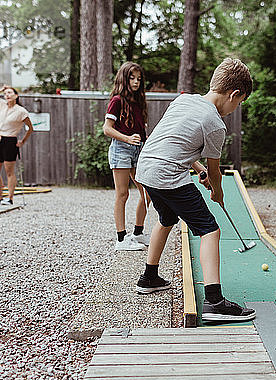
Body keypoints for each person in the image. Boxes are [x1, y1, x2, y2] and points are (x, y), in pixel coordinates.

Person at [135, 58, 256, 322]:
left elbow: (176, 143)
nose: (236, 108)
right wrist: (217, 192)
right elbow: (216, 172)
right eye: (239, 102)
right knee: (209, 230)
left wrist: (198, 170)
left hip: (146, 169)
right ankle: (215, 303)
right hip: (168, 174)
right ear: (233, 94)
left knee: (166, 219)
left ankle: (149, 277)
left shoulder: (183, 101)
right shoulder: (215, 123)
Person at [103, 61, 151, 251]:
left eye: (139, 79)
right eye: (132, 78)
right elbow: (107, 129)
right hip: (121, 149)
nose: (136, 82)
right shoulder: (117, 100)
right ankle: (121, 239)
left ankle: (137, 233)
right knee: (122, 194)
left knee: (147, 194)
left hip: (138, 150)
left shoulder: (139, 102)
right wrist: (127, 138)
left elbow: (141, 131)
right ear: (124, 78)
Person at [0, 86, 33, 205]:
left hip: (10, 141)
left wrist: (23, 141)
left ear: (16, 96)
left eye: (10, 93)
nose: (7, 95)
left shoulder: (21, 111)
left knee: (9, 171)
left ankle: (10, 198)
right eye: (5, 93)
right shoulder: (2, 104)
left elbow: (30, 128)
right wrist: (2, 88)